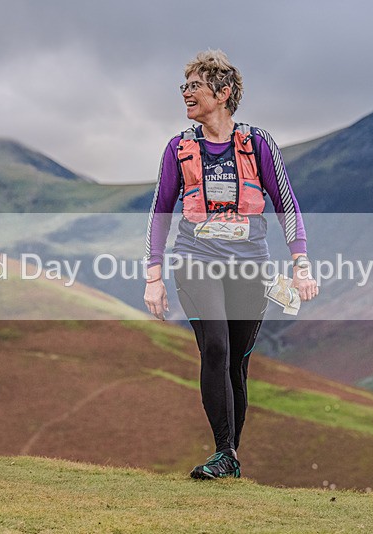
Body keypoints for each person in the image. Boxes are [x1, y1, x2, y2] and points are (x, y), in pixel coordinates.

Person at [144, 50, 318, 479]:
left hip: (250, 266)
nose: (186, 93)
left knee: (237, 360)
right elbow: (160, 214)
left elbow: (287, 204)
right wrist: (154, 277)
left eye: (194, 86)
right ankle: (224, 450)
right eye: (183, 86)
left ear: (222, 93)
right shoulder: (178, 149)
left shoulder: (258, 144)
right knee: (216, 347)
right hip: (195, 260)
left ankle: (229, 458)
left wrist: (301, 264)